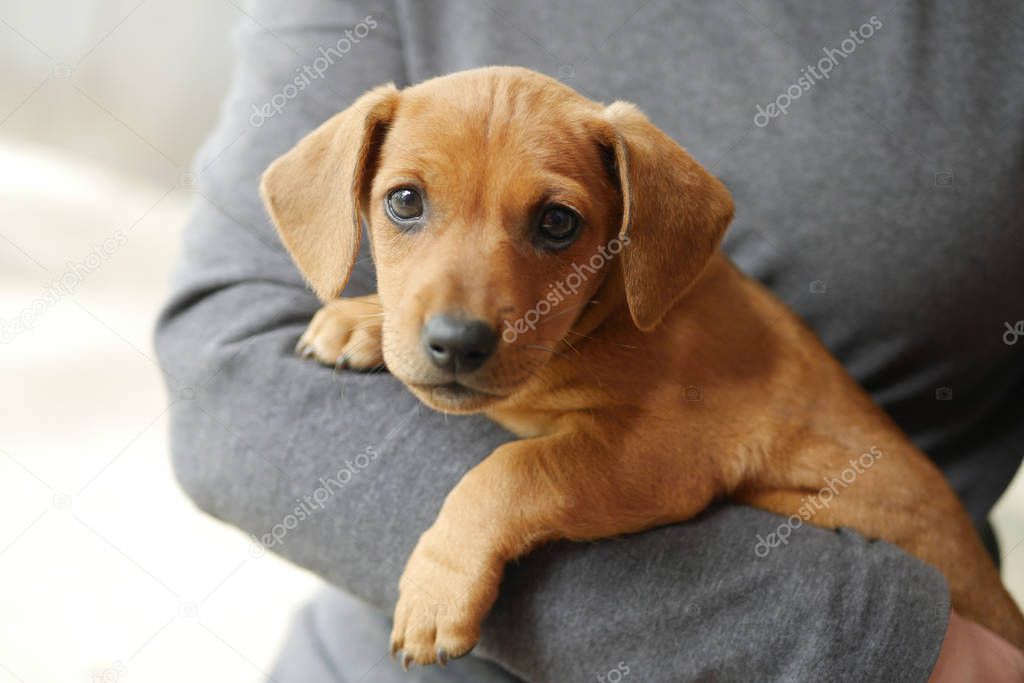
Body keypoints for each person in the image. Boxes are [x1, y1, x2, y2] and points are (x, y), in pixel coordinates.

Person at [154, 1, 1024, 680]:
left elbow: (661, 460)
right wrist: (386, 313)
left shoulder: (675, 325)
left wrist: (472, 526)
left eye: (556, 224)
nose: (461, 319)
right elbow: (225, 378)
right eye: (408, 205)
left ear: (633, 230)